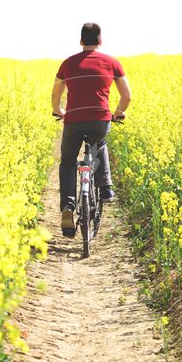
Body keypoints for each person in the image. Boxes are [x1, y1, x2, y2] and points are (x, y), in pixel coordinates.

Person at [51, 22, 132, 238]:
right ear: (100, 41)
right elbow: (127, 96)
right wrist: (118, 112)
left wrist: (57, 110)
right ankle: (105, 186)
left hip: (74, 119)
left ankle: (67, 208)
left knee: (68, 161)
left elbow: (56, 93)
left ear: (80, 41)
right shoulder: (112, 63)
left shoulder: (68, 64)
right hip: (99, 118)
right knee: (100, 143)